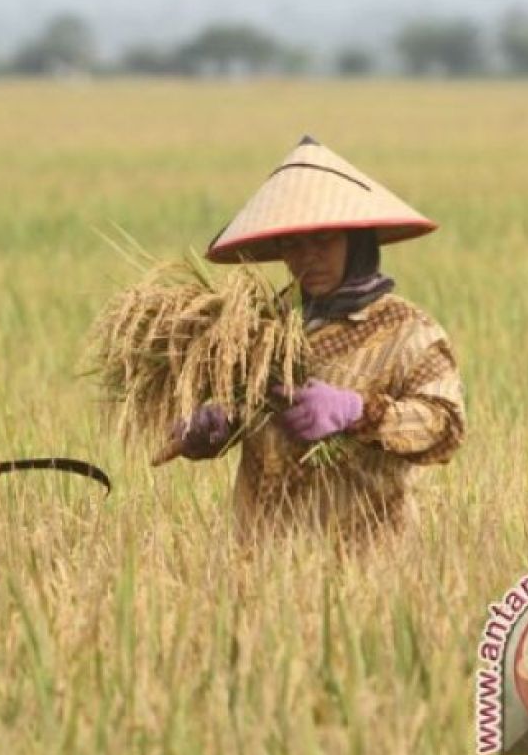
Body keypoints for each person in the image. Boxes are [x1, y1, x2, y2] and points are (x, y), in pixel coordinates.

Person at [173, 136, 465, 543]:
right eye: (292, 243)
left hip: (371, 558)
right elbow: (228, 410)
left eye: (324, 240)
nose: (307, 256)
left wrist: (358, 411)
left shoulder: (408, 330)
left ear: (357, 240)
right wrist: (207, 425)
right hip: (263, 558)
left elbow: (446, 429)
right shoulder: (260, 327)